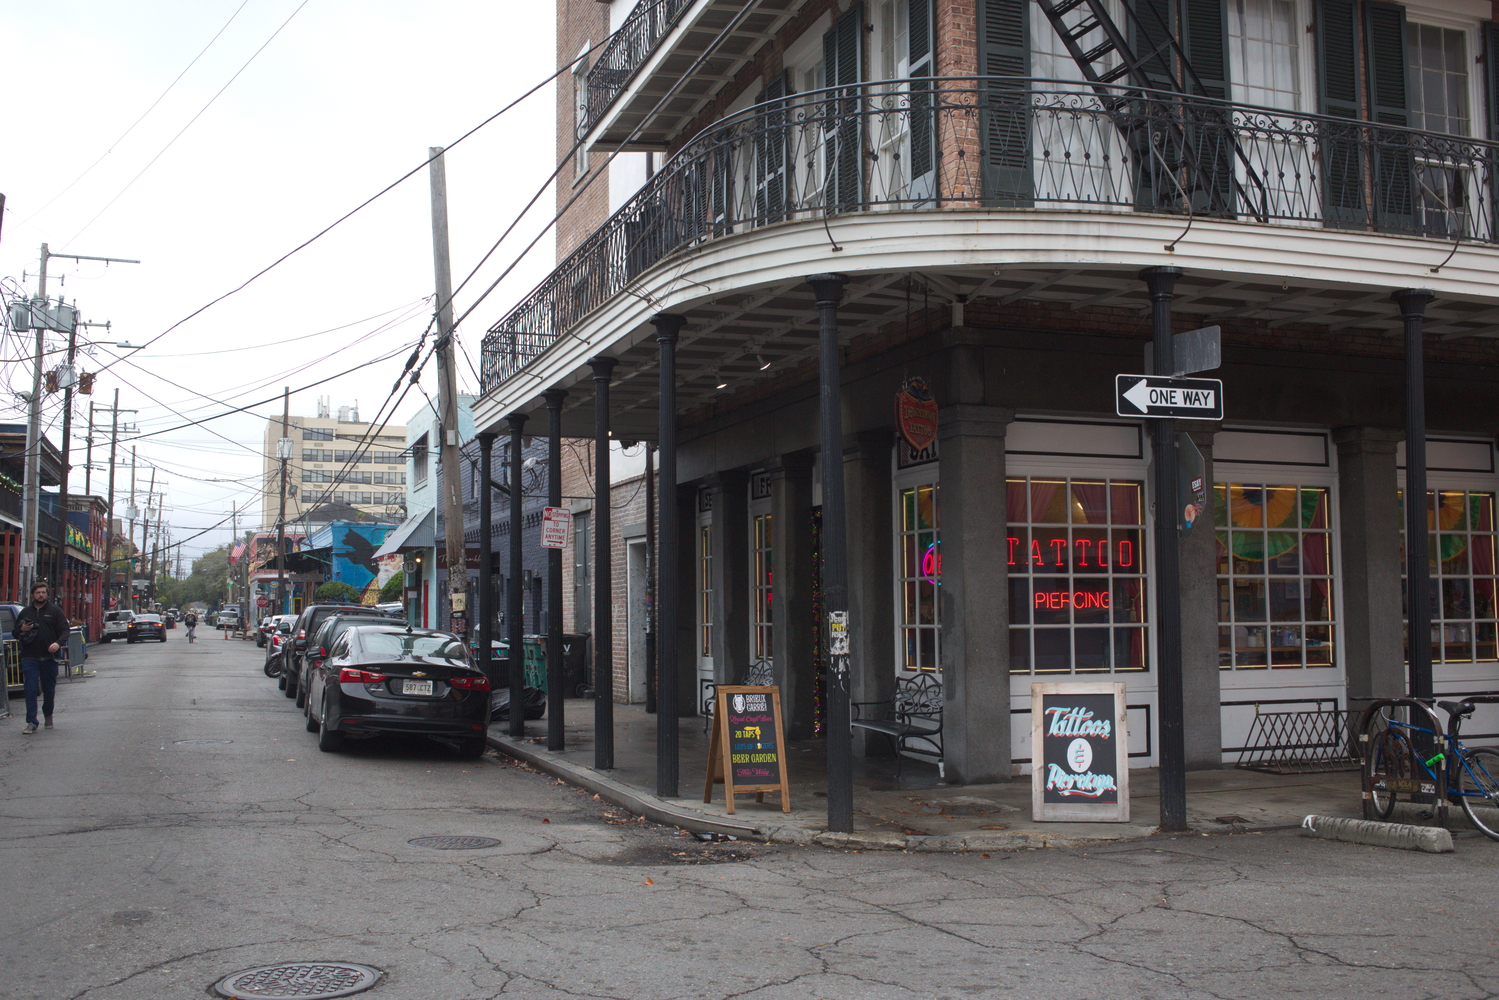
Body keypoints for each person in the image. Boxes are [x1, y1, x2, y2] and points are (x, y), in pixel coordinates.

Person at [16, 580, 68, 735]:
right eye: (38, 592)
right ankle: (32, 721)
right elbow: (15, 632)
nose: (41, 595)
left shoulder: (55, 611)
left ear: (47, 594)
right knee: (30, 689)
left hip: (49, 657)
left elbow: (65, 630)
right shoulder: (25, 612)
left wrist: (58, 644)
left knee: (49, 690)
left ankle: (48, 715)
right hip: (30, 657)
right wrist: (21, 629)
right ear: (33, 594)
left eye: (43, 592)